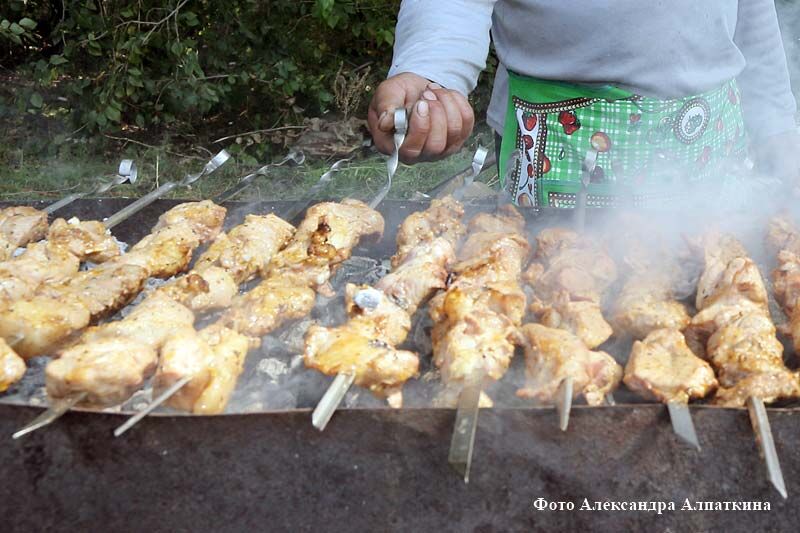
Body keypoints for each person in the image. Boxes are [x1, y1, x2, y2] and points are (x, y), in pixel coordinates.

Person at [367, 1, 799, 207]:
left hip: (709, 146)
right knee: (552, 293)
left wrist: (777, 122)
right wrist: (432, 74)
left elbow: (753, 10)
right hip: (558, 151)